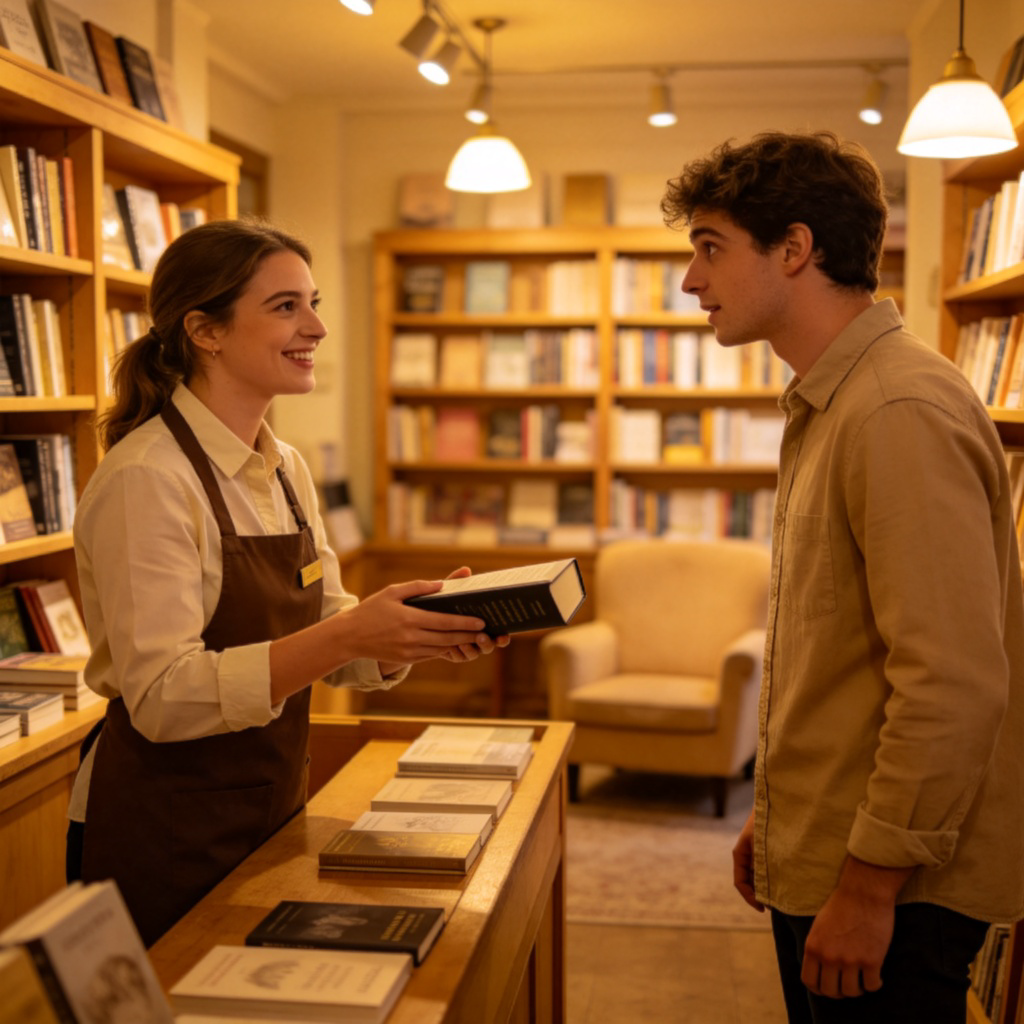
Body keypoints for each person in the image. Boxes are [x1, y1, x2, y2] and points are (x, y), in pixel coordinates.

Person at [661, 131, 1024, 1022]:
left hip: (898, 887)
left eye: (710, 249)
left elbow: (950, 684)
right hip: (841, 851)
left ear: (795, 249)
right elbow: (842, 653)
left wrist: (867, 884)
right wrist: (781, 816)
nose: (691, 282)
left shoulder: (895, 409)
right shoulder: (839, 399)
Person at [68, 217, 508, 946]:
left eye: (314, 302)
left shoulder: (287, 468)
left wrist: (407, 633)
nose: (317, 328)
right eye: (285, 307)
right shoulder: (147, 479)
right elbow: (161, 697)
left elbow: (329, 628)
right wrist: (347, 632)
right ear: (205, 330)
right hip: (166, 830)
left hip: (273, 809)